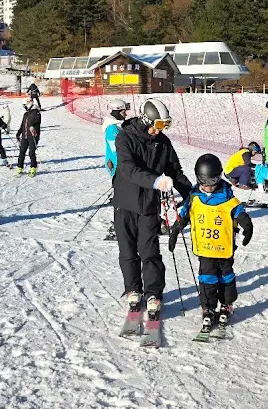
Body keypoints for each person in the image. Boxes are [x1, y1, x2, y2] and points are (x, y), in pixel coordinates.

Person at [113, 98, 193, 317]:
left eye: (165, 125)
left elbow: (175, 172)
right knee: (128, 251)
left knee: (150, 251)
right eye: (159, 125)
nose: (161, 130)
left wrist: (191, 194)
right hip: (125, 203)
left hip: (148, 205)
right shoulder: (125, 137)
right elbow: (128, 169)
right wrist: (155, 181)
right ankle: (133, 290)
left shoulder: (163, 143)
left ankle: (153, 293)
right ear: (146, 119)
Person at [168, 154, 253, 330]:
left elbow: (238, 211)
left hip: (223, 248)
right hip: (205, 248)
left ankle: (226, 304)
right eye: (205, 182)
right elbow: (184, 215)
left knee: (226, 277)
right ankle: (208, 308)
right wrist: (176, 229)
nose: (209, 187)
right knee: (207, 278)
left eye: (213, 182)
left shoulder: (227, 196)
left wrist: (246, 223)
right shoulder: (194, 197)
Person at [103, 99, 130, 240]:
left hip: (123, 168)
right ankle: (116, 228)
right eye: (123, 111)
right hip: (119, 169)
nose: (125, 113)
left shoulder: (118, 126)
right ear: (116, 112)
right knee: (122, 200)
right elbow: (117, 151)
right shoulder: (112, 129)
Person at [16, 103, 41, 176]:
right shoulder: (26, 114)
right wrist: (18, 133)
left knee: (31, 153)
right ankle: (19, 167)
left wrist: (33, 127)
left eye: (25, 106)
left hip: (33, 136)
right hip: (25, 136)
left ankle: (33, 168)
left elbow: (37, 122)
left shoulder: (37, 113)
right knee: (21, 152)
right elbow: (23, 124)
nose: (25, 107)